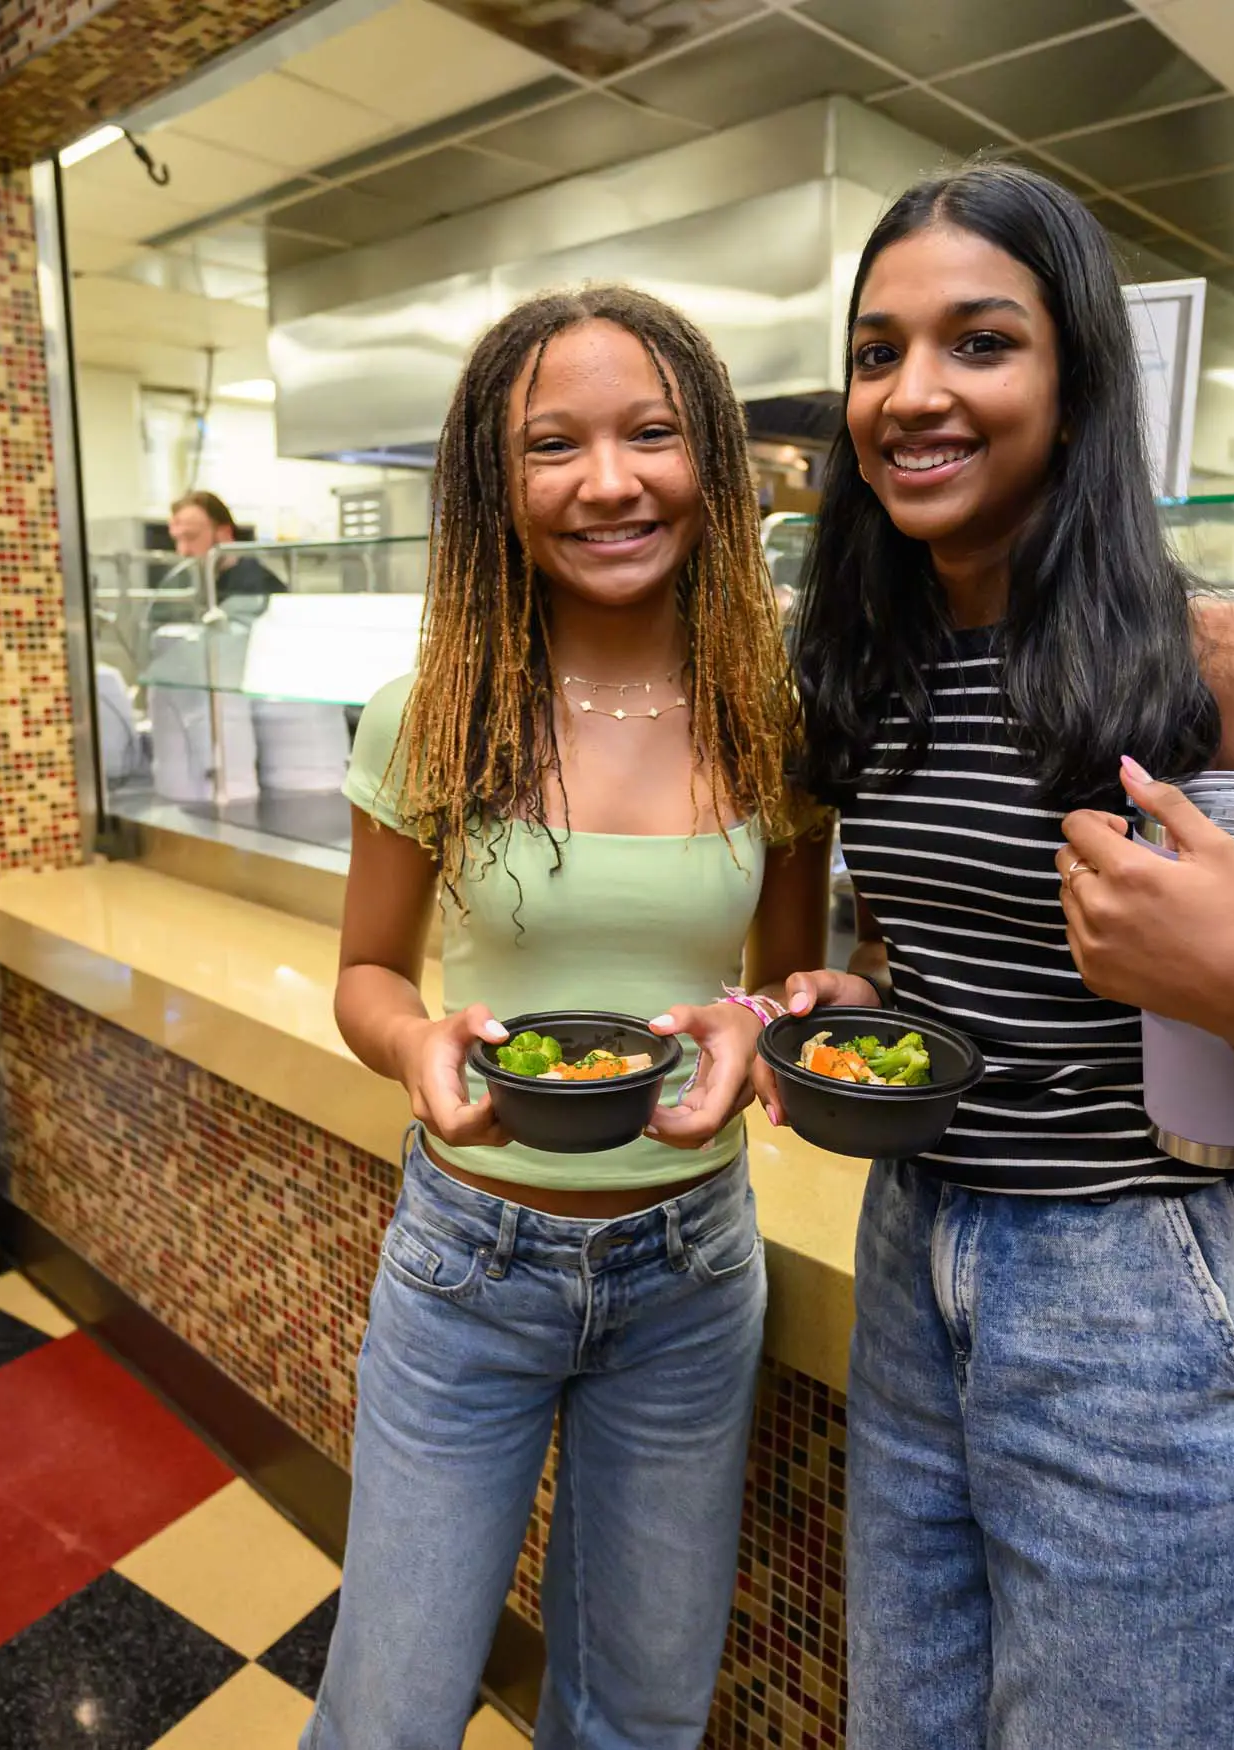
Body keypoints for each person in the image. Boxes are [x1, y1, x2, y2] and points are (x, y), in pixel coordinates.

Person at [755, 163, 1234, 1748]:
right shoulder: (867, 664)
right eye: (876, 353)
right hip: (912, 1248)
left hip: (1144, 1286)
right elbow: (922, 958)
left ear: (1073, 388)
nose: (911, 394)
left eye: (977, 343)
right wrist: (854, 1003)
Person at [310, 286, 825, 1750]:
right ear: (497, 482)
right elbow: (366, 972)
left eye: (650, 433)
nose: (609, 481)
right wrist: (417, 1045)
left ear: (709, 464)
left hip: (689, 1268)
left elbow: (780, 985)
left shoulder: (768, 710)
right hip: (471, 1262)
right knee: (390, 1711)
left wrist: (752, 1032)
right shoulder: (431, 709)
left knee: (642, 1712)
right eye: (556, 446)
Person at [168, 488, 288, 602]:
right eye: (177, 540)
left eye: (191, 537)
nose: (183, 551)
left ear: (224, 533)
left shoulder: (256, 587)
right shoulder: (192, 584)